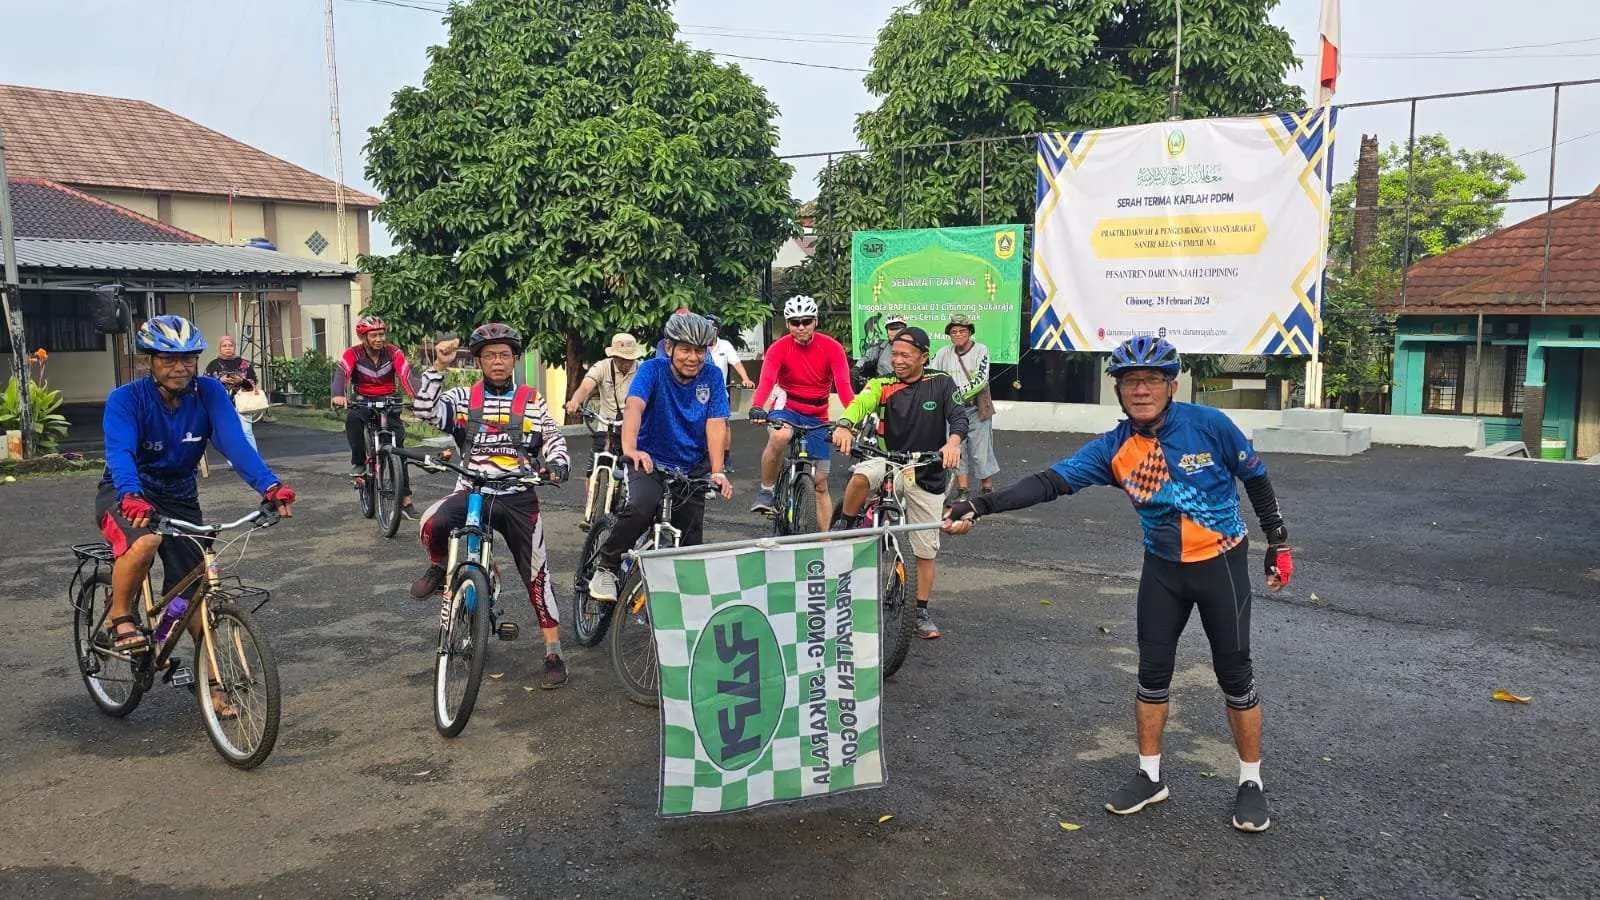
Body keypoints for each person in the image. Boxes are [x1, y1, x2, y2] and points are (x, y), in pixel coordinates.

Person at [942, 336, 1293, 834]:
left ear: (1171, 385)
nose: (1142, 389)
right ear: (1120, 389)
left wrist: (1277, 541)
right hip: (1163, 570)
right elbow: (1049, 482)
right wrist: (981, 505)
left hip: (1221, 565)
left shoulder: (1209, 425)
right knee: (1152, 675)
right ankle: (1150, 776)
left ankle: (1251, 781)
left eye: (1151, 380)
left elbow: (1255, 477)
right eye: (1131, 381)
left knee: (1235, 676)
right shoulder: (1114, 447)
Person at [96, 315, 296, 714]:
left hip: (180, 495)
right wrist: (132, 494)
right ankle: (119, 616)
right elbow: (120, 453)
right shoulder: (127, 399)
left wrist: (269, 486)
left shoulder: (207, 393)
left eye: (188, 358)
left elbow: (234, 443)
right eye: (169, 359)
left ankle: (212, 684)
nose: (180, 367)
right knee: (146, 541)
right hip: (126, 492)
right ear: (149, 361)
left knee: (193, 591)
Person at [410, 324, 573, 689]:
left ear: (514, 359)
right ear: (479, 360)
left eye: (504, 355)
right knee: (432, 522)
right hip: (473, 490)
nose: (497, 362)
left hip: (518, 494)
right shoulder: (463, 397)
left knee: (537, 574)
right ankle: (439, 566)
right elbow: (424, 411)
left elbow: (552, 436)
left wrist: (558, 464)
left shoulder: (531, 399)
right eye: (489, 355)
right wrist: (438, 365)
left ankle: (554, 652)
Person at [830, 326, 966, 640]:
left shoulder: (941, 384)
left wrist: (953, 443)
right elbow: (859, 405)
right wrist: (844, 425)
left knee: (926, 549)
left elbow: (959, 416)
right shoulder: (881, 384)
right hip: (888, 458)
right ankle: (846, 524)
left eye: (906, 355)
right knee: (862, 476)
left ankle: (920, 611)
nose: (898, 360)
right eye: (895, 354)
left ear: (924, 356)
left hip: (926, 468)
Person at [587, 311, 734, 601]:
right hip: (649, 459)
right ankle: (606, 566)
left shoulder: (712, 375)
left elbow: (716, 424)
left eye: (699, 351)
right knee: (641, 507)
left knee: (690, 545)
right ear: (669, 348)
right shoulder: (652, 370)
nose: (692, 358)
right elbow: (634, 407)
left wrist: (718, 470)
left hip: (692, 467)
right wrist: (629, 448)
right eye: (685, 350)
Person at [748, 295, 855, 525]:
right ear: (787, 325)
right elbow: (766, 381)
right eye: (795, 322)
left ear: (815, 321)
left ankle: (825, 543)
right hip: (787, 407)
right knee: (781, 435)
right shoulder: (778, 348)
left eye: (806, 321)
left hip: (817, 415)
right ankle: (767, 490)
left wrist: (853, 418)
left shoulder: (832, 348)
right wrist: (757, 406)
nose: (801, 327)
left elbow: (845, 388)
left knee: (821, 483)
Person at [331, 315, 418, 517]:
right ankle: (359, 464)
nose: (379, 339)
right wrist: (337, 394)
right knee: (352, 419)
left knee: (398, 448)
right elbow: (342, 372)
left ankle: (405, 499)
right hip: (363, 399)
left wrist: (417, 397)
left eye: (381, 334)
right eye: (374, 335)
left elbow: (406, 375)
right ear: (364, 337)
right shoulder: (352, 353)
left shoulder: (393, 352)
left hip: (389, 400)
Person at [930, 313, 1000, 500]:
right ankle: (963, 489)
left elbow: (980, 380)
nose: (958, 334)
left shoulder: (981, 350)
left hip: (976, 407)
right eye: (954, 332)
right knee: (956, 448)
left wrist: (954, 395)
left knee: (980, 449)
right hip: (952, 410)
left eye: (962, 331)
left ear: (970, 333)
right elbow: (932, 374)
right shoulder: (943, 353)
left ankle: (987, 486)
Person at [564, 332, 644, 470]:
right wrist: (575, 401)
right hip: (606, 426)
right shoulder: (602, 367)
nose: (625, 363)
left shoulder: (642, 370)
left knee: (634, 470)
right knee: (593, 468)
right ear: (613, 356)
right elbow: (586, 386)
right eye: (621, 359)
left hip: (634, 429)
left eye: (629, 359)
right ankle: (592, 491)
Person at [703, 314, 755, 473]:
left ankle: (725, 456)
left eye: (712, 329)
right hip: (700, 392)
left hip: (720, 392)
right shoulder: (698, 345)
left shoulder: (725, 345)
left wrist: (746, 378)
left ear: (717, 331)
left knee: (723, 424)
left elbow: (736, 363)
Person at [203, 335, 259, 451]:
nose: (228, 348)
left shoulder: (244, 363)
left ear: (234, 347)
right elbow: (205, 384)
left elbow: (253, 384)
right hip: (221, 404)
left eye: (230, 345)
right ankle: (233, 461)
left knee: (246, 432)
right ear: (220, 348)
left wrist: (241, 381)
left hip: (243, 403)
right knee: (228, 433)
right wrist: (219, 380)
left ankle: (253, 459)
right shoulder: (213, 365)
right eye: (224, 346)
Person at [851, 313, 906, 389]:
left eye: (897, 328)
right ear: (887, 331)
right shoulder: (881, 347)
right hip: (883, 388)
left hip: (906, 388)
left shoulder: (913, 347)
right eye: (891, 328)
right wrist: (857, 367)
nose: (894, 331)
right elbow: (866, 358)